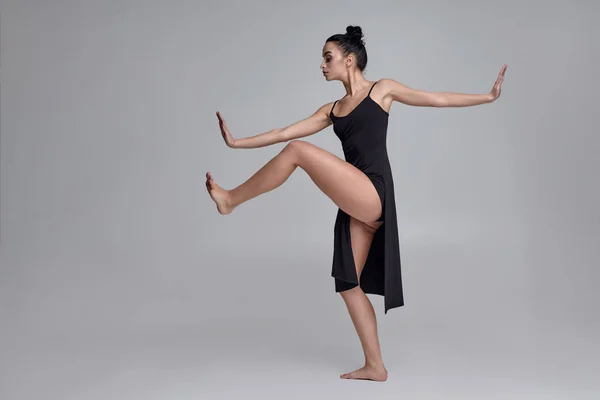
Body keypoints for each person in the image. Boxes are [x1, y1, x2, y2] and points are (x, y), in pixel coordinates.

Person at [206, 25, 506, 382]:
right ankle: (375, 366)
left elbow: (435, 98)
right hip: (356, 203)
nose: (321, 64)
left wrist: (486, 97)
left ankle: (231, 200)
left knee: (298, 153)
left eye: (327, 57)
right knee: (349, 284)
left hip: (373, 192)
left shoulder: (382, 90)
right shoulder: (332, 109)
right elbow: (284, 132)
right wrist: (237, 143)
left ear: (349, 60)